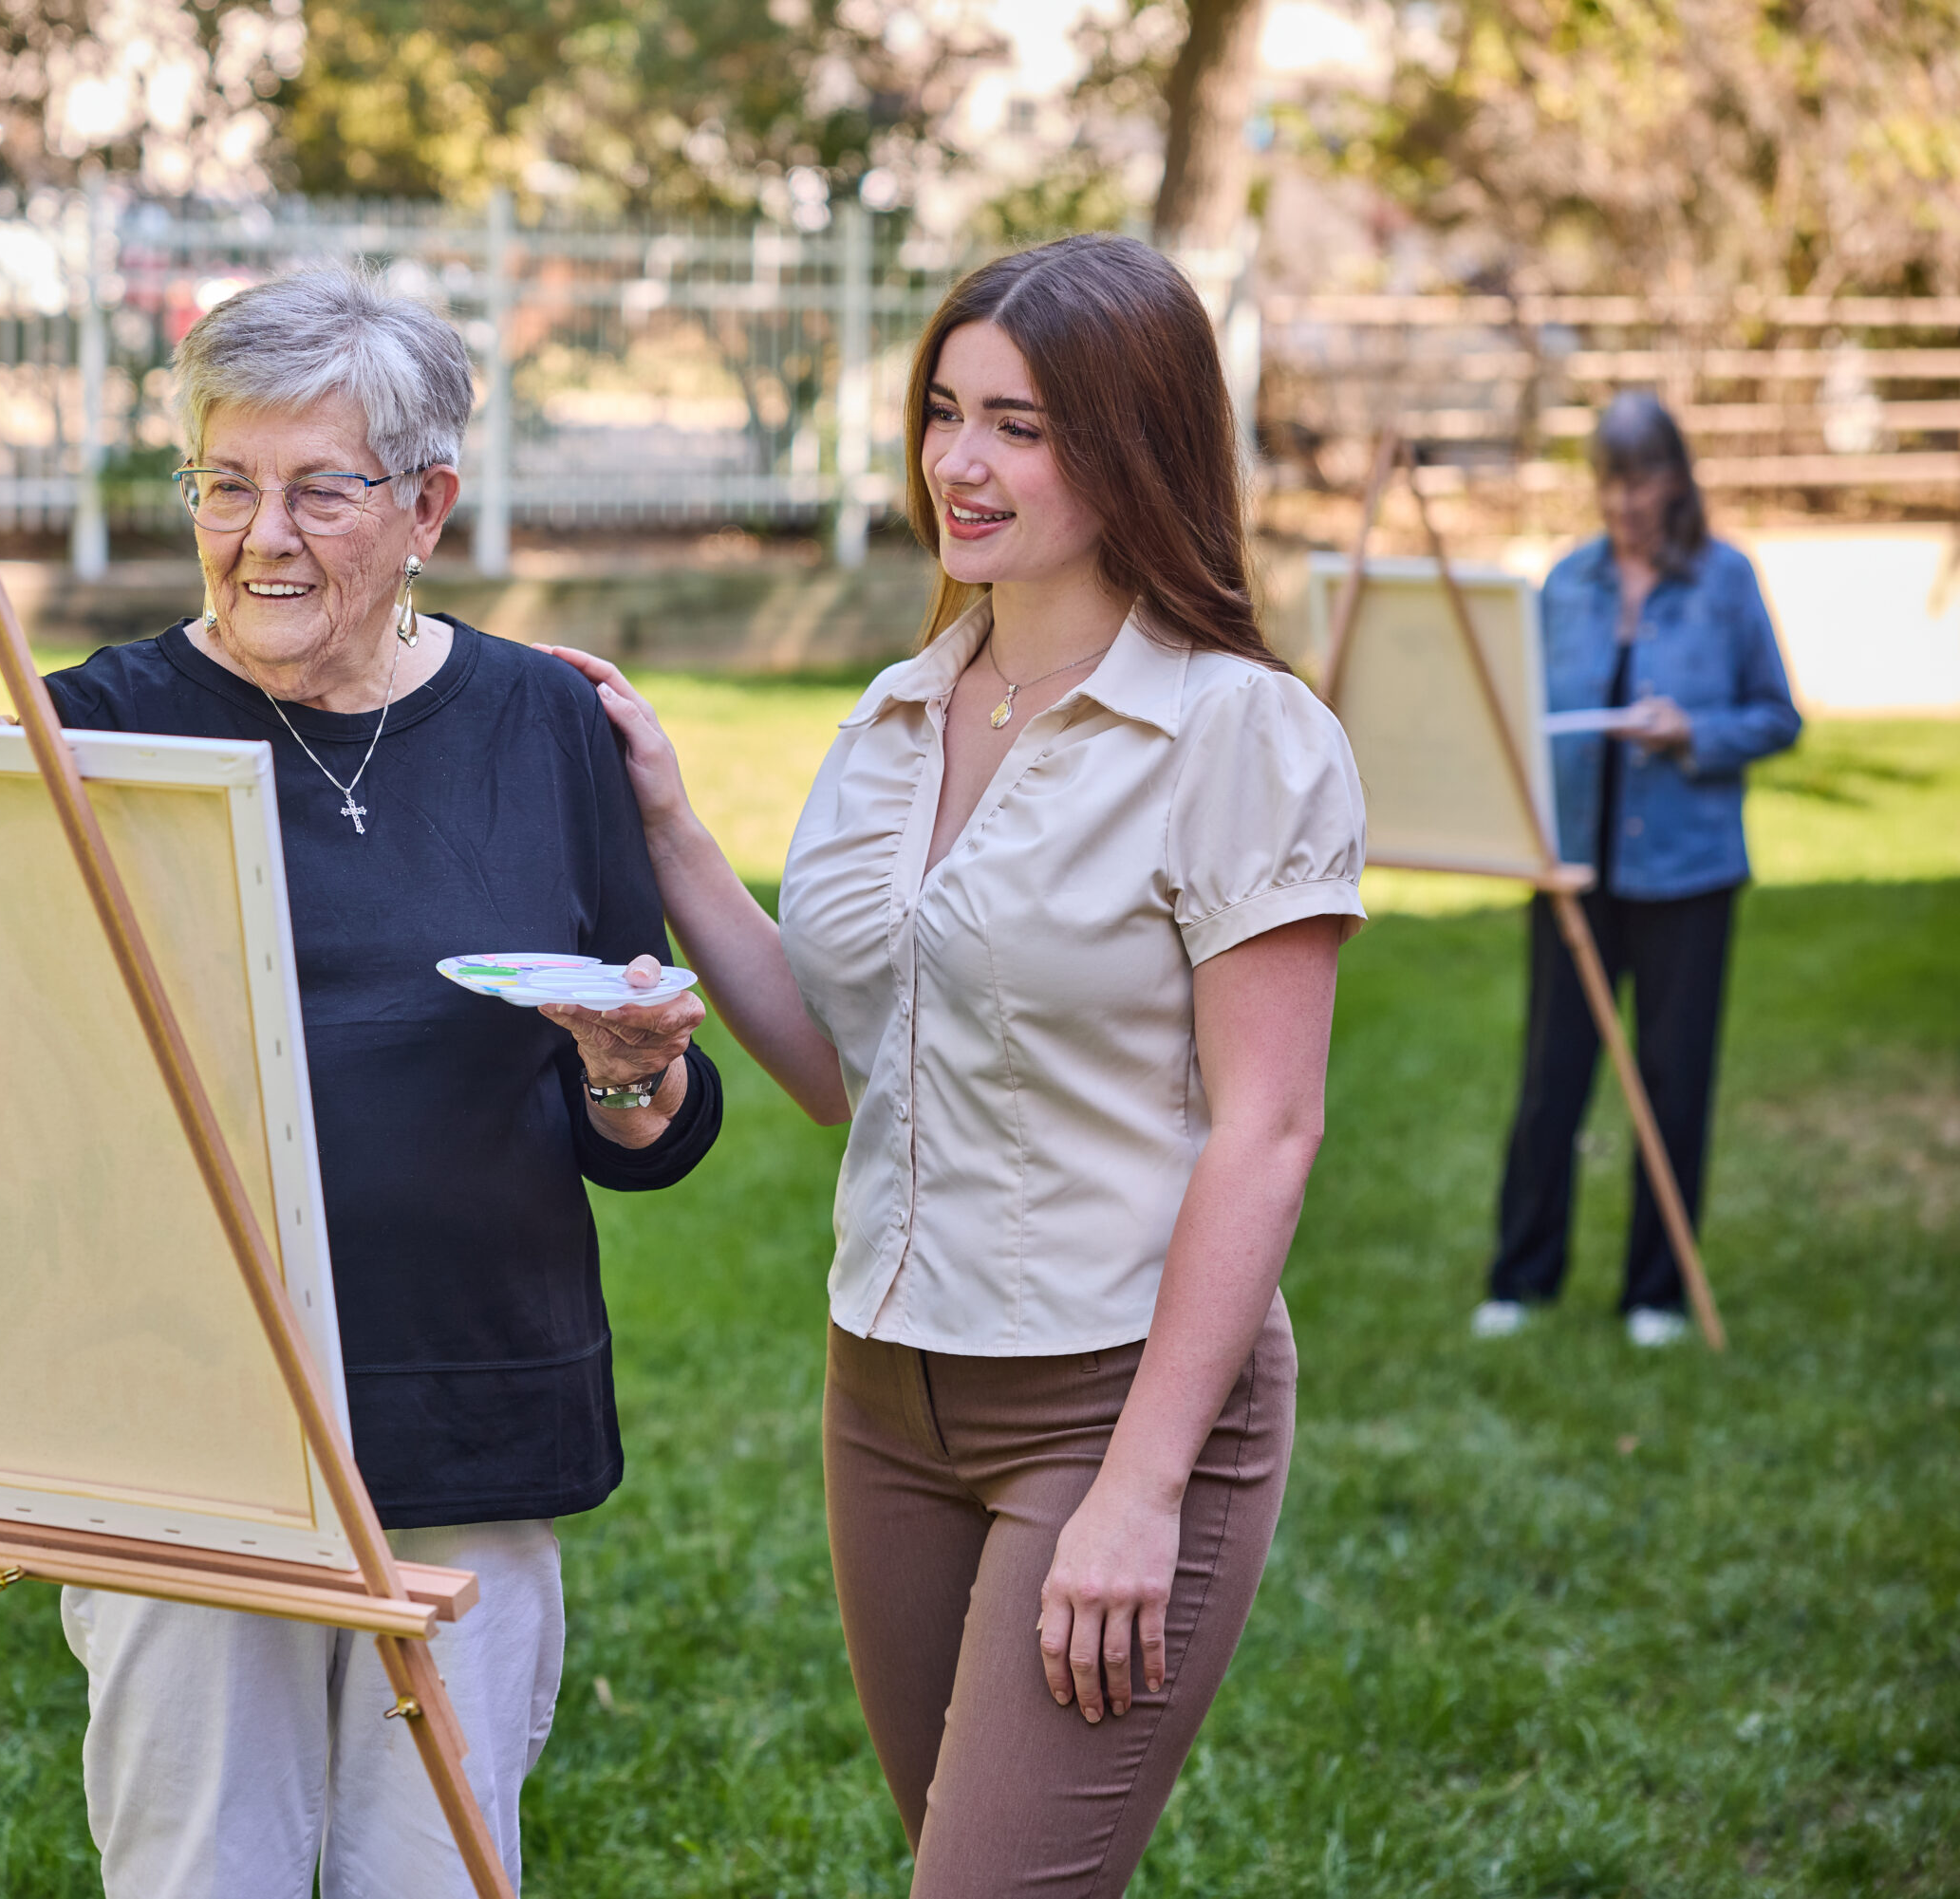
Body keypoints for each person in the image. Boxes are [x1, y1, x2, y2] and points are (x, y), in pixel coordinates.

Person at [541, 232, 1364, 1896]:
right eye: (944, 411)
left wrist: (1139, 1494)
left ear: (1134, 444)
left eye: (1023, 426)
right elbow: (851, 1068)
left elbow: (1267, 1132)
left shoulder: (1237, 737)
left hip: (1116, 1398)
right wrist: (671, 828)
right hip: (885, 1393)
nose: (961, 465)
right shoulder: (897, 713)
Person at [0, 268, 722, 1897]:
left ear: (426, 505)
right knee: (202, 1866)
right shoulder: (93, 733)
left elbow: (647, 1131)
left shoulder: (547, 724)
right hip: (179, 1412)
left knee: (438, 1871)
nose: (261, 535)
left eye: (319, 490)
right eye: (225, 483)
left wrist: (634, 1079)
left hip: (472, 1413)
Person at [1471, 391, 1801, 1349]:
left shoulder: (1726, 580)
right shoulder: (1563, 584)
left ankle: (1654, 1294)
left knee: (1673, 1079)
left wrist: (1695, 729)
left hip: (1688, 877)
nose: (1623, 503)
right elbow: (1519, 718)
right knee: (1552, 1079)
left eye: (1641, 481)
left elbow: (1778, 716)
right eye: (1609, 483)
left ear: (1675, 480)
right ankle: (1521, 1278)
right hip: (1572, 871)